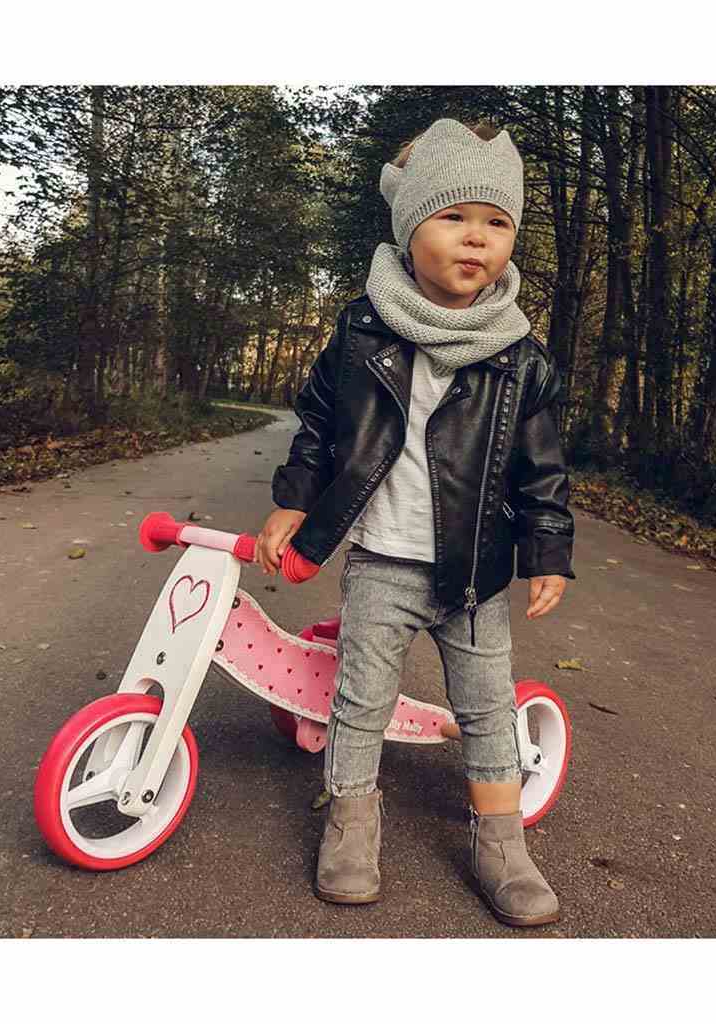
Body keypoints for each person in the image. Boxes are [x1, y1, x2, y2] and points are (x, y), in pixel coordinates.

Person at [255, 118, 576, 927]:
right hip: (382, 561)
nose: (476, 237)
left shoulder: (521, 356)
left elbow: (541, 467)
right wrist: (294, 498)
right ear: (409, 229)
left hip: (474, 572)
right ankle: (350, 823)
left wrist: (547, 548)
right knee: (361, 699)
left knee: (487, 705)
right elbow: (320, 425)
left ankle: (502, 845)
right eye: (454, 216)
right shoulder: (363, 328)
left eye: (496, 222)